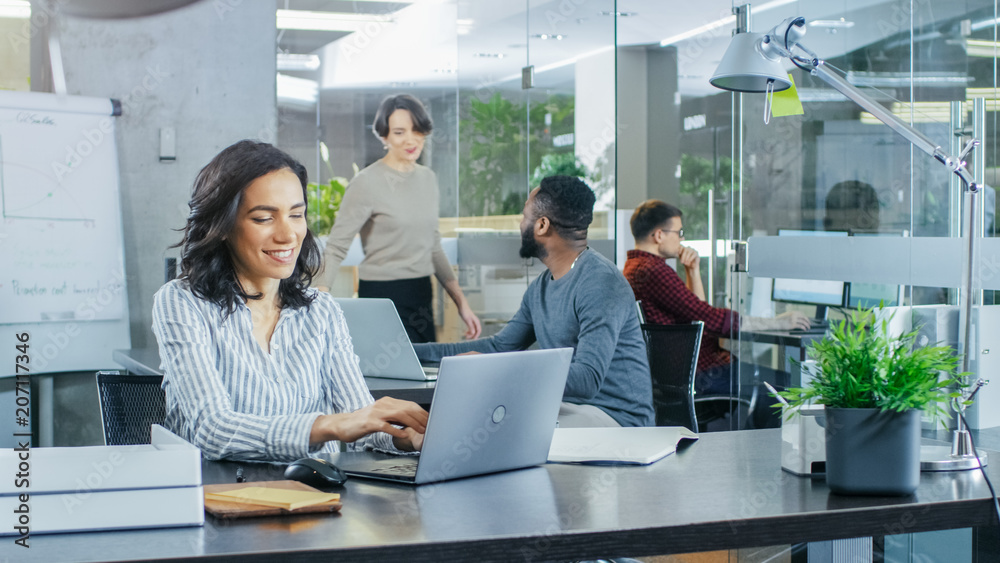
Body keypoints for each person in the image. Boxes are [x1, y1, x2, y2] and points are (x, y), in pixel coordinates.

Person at [152, 140, 428, 462]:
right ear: (222, 226)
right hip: (224, 498)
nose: (287, 235)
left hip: (316, 498)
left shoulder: (320, 310)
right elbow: (212, 430)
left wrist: (404, 438)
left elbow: (358, 419)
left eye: (296, 215)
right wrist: (328, 426)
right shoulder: (182, 303)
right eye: (263, 219)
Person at [414, 176, 654, 428]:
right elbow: (499, 346)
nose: (520, 223)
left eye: (524, 215)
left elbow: (587, 379)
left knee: (494, 423)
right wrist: (412, 354)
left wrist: (494, 368)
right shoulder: (541, 286)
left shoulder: (601, 283)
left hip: (617, 419)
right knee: (478, 415)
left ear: (541, 225)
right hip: (568, 409)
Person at [317, 94, 481, 343]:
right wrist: (319, 302)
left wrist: (462, 303)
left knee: (426, 375)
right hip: (381, 296)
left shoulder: (428, 179)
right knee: (388, 378)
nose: (410, 140)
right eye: (399, 132)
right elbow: (336, 247)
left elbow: (433, 245)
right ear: (384, 137)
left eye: (416, 130)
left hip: (421, 293)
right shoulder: (366, 182)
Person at [623, 200, 810, 398]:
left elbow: (697, 313)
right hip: (700, 373)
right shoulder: (655, 272)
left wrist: (692, 270)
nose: (681, 239)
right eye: (678, 232)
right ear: (660, 235)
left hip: (684, 374)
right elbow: (710, 318)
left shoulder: (635, 267)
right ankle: (757, 429)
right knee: (788, 384)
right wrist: (778, 323)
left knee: (772, 380)